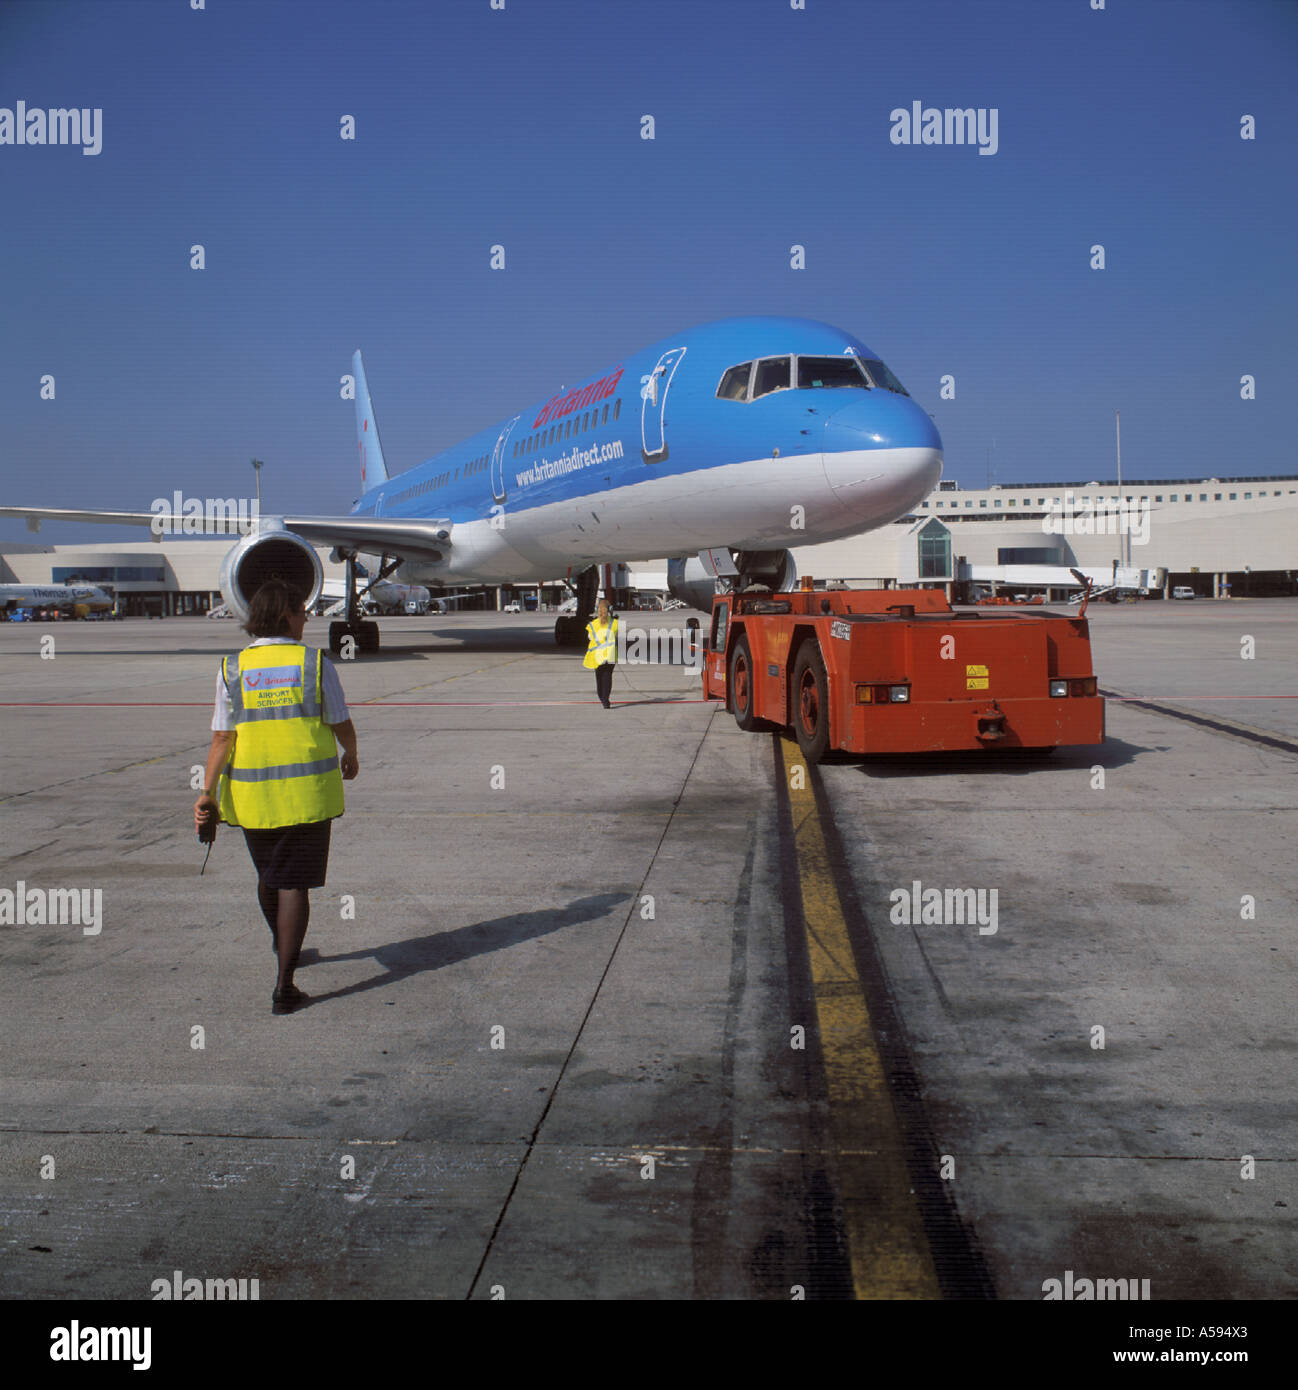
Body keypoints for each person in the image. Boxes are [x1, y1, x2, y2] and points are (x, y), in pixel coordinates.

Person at [193, 579, 358, 1015]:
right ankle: (285, 984)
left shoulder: (232, 668)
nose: (307, 618)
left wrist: (206, 793)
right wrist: (352, 752)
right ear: (286, 616)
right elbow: (339, 720)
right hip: (306, 795)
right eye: (302, 611)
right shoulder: (313, 663)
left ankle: (282, 943)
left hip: (253, 796)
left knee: (270, 876)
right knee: (294, 883)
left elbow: (222, 737)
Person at [582, 597, 619, 708]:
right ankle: (605, 699)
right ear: (610, 609)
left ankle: (601, 697)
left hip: (597, 656)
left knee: (599, 677)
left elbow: (590, 638)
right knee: (607, 677)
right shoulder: (615, 623)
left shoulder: (592, 624)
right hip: (610, 655)